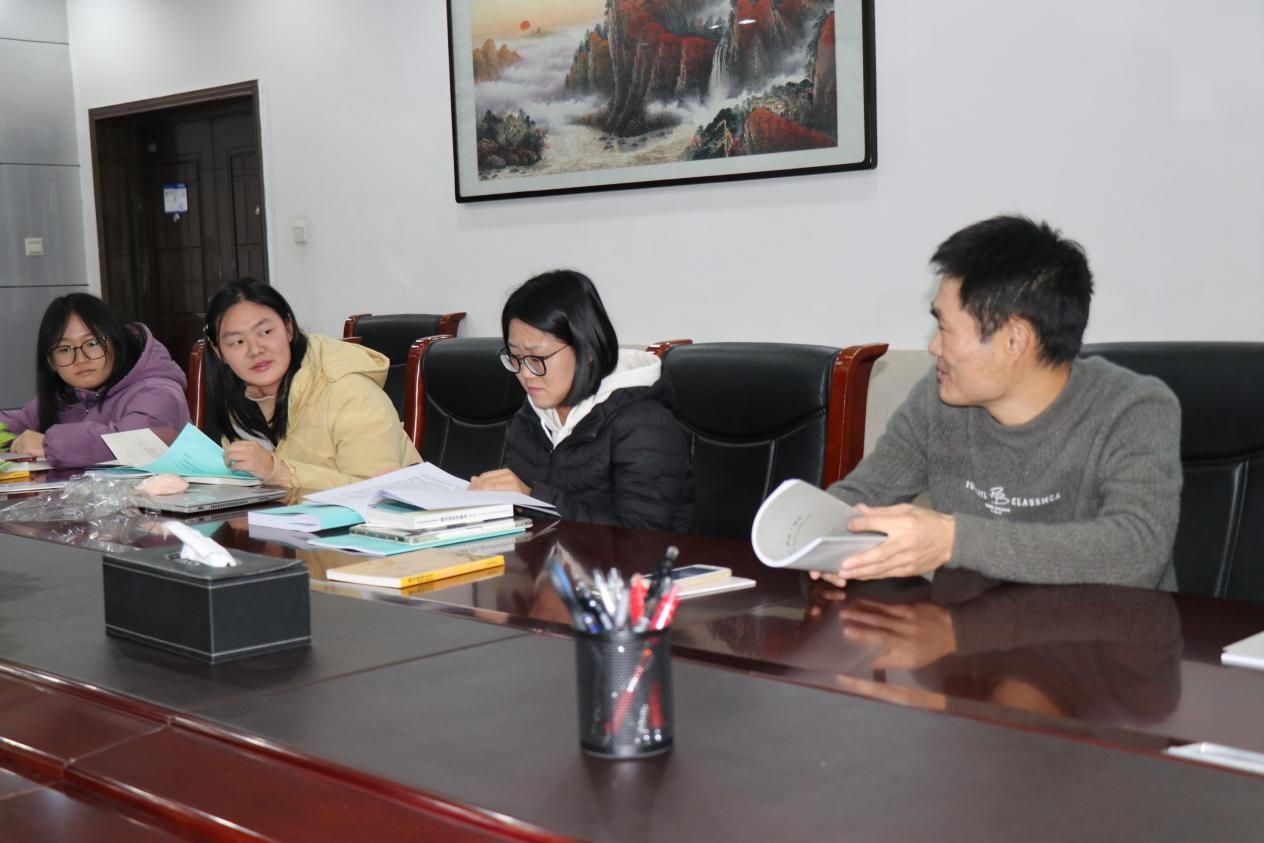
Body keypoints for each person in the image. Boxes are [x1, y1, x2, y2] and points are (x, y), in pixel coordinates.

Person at [817, 215, 1182, 589]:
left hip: (1100, 625)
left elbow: (1137, 551)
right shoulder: (939, 400)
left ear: (1014, 341)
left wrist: (952, 541)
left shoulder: (1134, 409)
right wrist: (820, 539)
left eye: (944, 328)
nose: (934, 347)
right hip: (966, 621)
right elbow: (861, 498)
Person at [469, 270, 693, 531]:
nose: (526, 374)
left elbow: (641, 539)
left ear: (587, 350)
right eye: (515, 357)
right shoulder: (530, 416)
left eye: (537, 358)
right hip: (545, 556)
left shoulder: (643, 424)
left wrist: (532, 498)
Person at [202, 278, 420, 490]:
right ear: (218, 351)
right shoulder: (242, 400)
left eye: (265, 332)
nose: (255, 350)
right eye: (237, 342)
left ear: (289, 328)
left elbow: (374, 491)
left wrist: (277, 471)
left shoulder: (350, 391)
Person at [0, 293, 189, 467]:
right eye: (65, 349)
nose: (81, 359)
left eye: (92, 343)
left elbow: (137, 442)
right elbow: (16, 423)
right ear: (51, 362)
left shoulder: (158, 391)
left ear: (117, 342)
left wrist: (47, 444)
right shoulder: (67, 397)